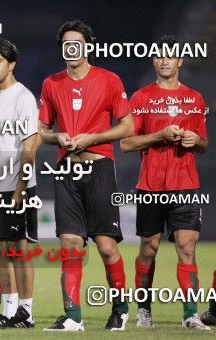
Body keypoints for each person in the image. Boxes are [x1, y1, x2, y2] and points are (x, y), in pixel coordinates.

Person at [40, 20, 134, 331]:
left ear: (87, 46)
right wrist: (59, 138)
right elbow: (42, 130)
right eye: (66, 42)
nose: (71, 47)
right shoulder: (51, 83)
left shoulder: (109, 79)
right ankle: (72, 317)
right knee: (70, 245)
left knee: (107, 247)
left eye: (76, 42)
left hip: (99, 168)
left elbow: (127, 126)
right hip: (66, 169)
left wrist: (91, 138)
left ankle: (119, 311)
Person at [121, 35, 210, 331]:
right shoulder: (141, 97)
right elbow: (127, 143)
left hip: (185, 185)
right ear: (154, 60)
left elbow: (204, 143)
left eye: (170, 56)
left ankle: (190, 315)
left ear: (180, 60)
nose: (164, 61)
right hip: (150, 187)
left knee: (186, 247)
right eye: (159, 56)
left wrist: (196, 140)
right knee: (148, 248)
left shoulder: (195, 99)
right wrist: (159, 135)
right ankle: (144, 311)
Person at [0, 38, 39, 328]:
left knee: (19, 250)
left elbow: (29, 147)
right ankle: (8, 309)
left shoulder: (23, 97)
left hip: (17, 188)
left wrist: (21, 188)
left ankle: (26, 313)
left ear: (11, 64)